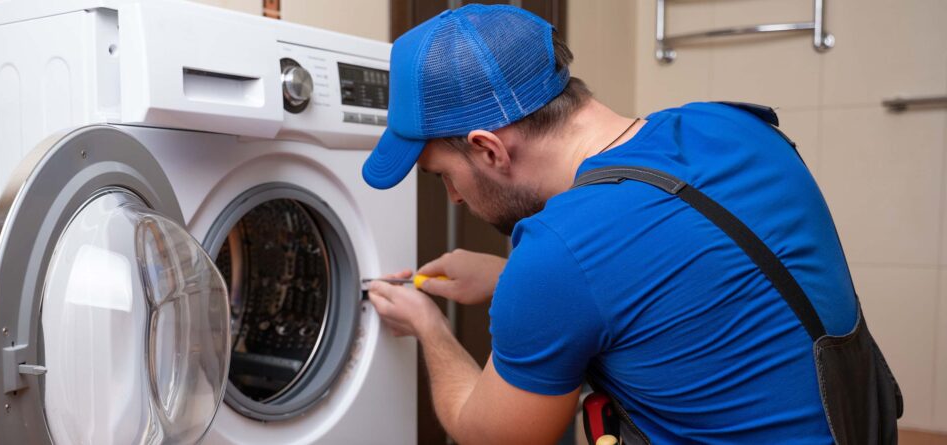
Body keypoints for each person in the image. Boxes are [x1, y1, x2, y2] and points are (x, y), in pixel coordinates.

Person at [362, 4, 895, 444]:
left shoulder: (558, 253)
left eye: (442, 176)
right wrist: (506, 279)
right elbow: (686, 290)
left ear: (488, 149)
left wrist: (429, 328)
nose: (452, 198)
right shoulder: (733, 125)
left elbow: (491, 438)